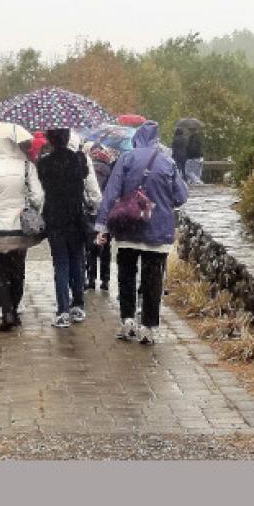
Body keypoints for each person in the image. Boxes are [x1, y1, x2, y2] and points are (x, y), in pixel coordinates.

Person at [94, 121, 188, 345]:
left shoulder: (127, 159)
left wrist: (102, 227)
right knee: (153, 279)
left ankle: (127, 321)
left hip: (128, 228)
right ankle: (149, 327)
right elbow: (181, 196)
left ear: (137, 138)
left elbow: (110, 193)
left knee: (126, 274)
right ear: (157, 139)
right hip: (158, 229)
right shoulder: (167, 161)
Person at [0, 136, 45, 332]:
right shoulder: (26, 166)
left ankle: (5, 309)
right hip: (19, 228)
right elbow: (38, 196)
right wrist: (30, 205)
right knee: (17, 269)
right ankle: (14, 307)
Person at [37, 128, 102, 328]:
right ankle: (78, 304)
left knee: (61, 264)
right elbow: (87, 184)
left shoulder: (44, 163)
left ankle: (63, 309)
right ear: (68, 139)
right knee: (77, 261)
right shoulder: (79, 160)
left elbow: (41, 190)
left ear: (49, 139)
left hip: (55, 219)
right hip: (76, 218)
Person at [84, 142, 117, 291]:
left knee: (91, 246)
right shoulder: (110, 170)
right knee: (106, 246)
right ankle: (105, 280)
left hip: (91, 211)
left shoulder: (88, 169)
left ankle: (91, 278)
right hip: (106, 211)